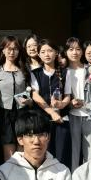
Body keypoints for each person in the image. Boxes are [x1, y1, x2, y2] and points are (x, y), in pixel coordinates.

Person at [31, 39, 72, 170]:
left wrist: (62, 104)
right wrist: (52, 112)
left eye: (50, 51)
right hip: (43, 120)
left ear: (56, 53)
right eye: (43, 52)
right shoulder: (35, 73)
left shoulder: (65, 72)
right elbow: (35, 95)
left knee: (62, 154)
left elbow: (68, 95)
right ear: (38, 54)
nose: (47, 54)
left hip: (62, 119)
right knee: (43, 153)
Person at [64, 37, 91, 168]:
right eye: (71, 49)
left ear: (82, 51)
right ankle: (74, 179)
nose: (74, 52)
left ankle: (90, 179)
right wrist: (70, 103)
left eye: (78, 49)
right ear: (66, 51)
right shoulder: (63, 71)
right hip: (71, 115)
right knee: (73, 154)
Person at [0, 36, 34, 162]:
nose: (12, 52)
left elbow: (30, 91)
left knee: (23, 147)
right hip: (4, 113)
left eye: (15, 49)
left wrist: (29, 101)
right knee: (9, 151)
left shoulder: (24, 69)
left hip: (22, 112)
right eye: (9, 49)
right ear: (3, 50)